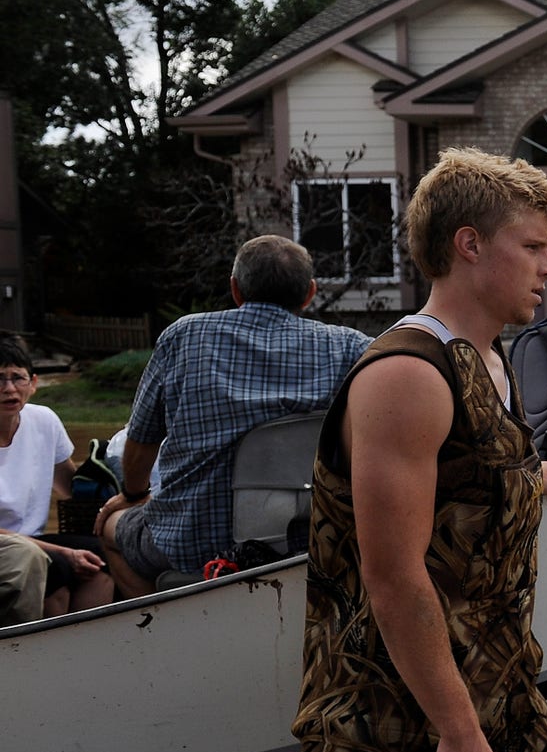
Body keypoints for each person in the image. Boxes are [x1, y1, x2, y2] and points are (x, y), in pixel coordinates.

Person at [257, 148, 547, 752]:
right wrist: (458, 732)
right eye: (534, 247)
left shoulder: (490, 358)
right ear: (470, 244)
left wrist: (523, 476)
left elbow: (461, 480)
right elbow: (393, 577)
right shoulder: (406, 375)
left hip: (501, 678)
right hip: (393, 708)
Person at [93, 236, 372, 598]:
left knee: (109, 528)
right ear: (310, 293)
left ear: (236, 290)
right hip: (308, 542)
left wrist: (133, 493)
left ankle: (161, 628)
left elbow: (142, 440)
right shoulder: (352, 347)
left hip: (190, 543)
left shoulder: (184, 336)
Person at [0, 335, 113, 621]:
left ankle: (88, 653)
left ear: (34, 383)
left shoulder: (44, 421)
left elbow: (72, 488)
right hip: (12, 548)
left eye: (18, 378)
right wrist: (64, 551)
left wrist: (115, 501)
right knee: (59, 568)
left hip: (34, 539)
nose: (9, 389)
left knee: (107, 556)